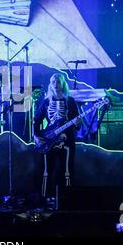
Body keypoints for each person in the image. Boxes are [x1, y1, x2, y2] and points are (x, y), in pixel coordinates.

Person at [33, 73, 80, 205]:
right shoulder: (46, 102)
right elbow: (36, 121)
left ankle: (67, 201)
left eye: (58, 81)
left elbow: (77, 124)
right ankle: (43, 200)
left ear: (63, 84)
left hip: (67, 140)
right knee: (47, 171)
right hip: (49, 140)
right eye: (53, 81)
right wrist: (37, 137)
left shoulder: (70, 101)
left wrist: (77, 123)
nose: (55, 84)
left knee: (67, 171)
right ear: (50, 84)